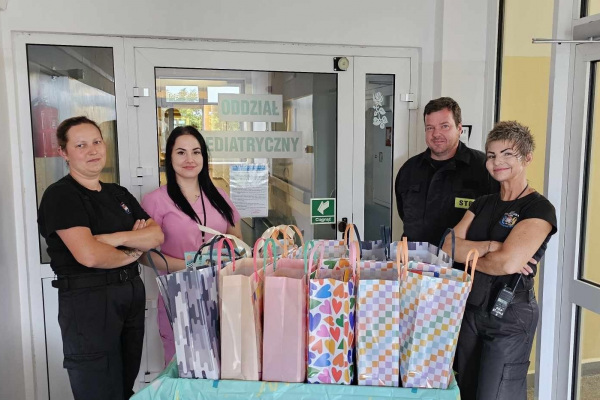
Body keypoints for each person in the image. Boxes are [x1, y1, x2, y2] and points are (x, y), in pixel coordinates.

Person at [37, 116, 164, 400]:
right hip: (90, 302)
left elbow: (156, 235)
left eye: (96, 142)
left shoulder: (117, 193)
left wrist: (113, 239)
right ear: (64, 152)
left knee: (123, 386)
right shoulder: (61, 195)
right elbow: (90, 256)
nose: (92, 150)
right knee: (97, 389)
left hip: (128, 296)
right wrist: (134, 247)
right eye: (81, 145)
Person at [443, 121, 557, 400]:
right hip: (471, 309)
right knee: (466, 389)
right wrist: (491, 247)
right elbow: (447, 246)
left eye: (507, 154)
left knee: (496, 394)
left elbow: (506, 264)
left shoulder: (538, 208)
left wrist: (469, 258)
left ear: (527, 158)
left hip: (510, 316)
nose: (497, 162)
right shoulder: (482, 203)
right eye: (492, 155)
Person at [142, 125, 242, 366]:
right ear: (169, 157)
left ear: (204, 157)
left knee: (225, 363)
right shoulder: (156, 200)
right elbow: (143, 255)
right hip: (179, 294)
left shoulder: (219, 195)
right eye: (181, 152)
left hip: (222, 292)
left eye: (196, 152)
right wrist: (190, 266)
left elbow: (236, 243)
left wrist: (227, 261)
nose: (190, 159)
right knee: (183, 366)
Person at [395, 97, 498, 244]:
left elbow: (498, 217)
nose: (436, 134)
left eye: (444, 126)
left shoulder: (484, 167)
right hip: (413, 256)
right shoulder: (409, 169)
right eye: (430, 128)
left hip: (462, 258)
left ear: (459, 129)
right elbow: (403, 212)